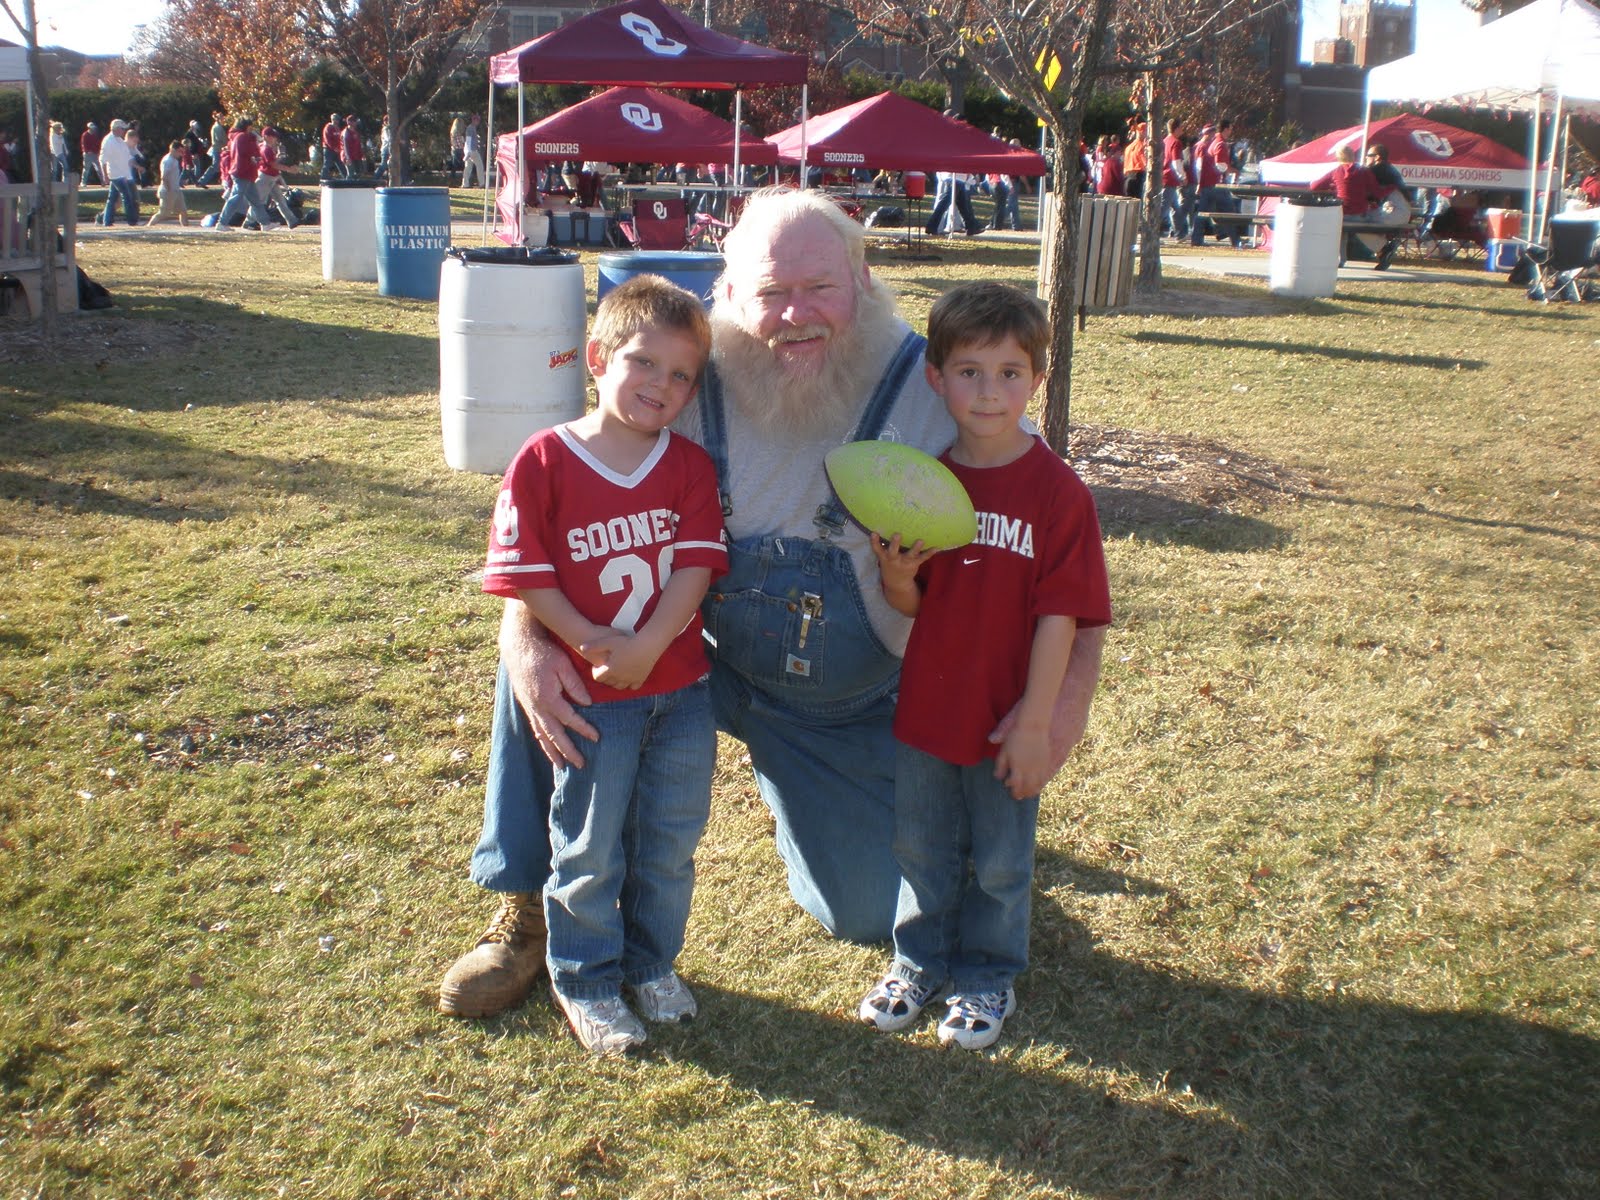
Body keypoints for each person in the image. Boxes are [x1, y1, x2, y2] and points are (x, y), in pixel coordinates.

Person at [436, 187, 1108, 1020]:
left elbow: (1055, 576)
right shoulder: (682, 376)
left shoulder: (942, 385)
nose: (796, 315)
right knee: (546, 663)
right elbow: (563, 518)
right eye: (770, 292)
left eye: (819, 286)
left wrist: (1058, 714)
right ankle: (527, 909)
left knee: (864, 910)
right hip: (695, 670)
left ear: (863, 278)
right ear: (728, 291)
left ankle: (856, 808)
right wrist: (528, 644)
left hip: (846, 706)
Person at [857, 281, 1111, 1051]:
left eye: (1008, 373)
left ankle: (989, 974)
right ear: (937, 378)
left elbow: (1062, 616)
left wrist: (1037, 721)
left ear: (1036, 379)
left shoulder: (1058, 494)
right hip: (929, 707)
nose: (989, 392)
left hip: (1007, 716)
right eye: (969, 371)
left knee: (1001, 859)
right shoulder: (925, 486)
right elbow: (914, 604)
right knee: (920, 848)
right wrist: (897, 573)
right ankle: (918, 962)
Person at [480, 275, 726, 1055]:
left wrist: (650, 643)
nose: (661, 384)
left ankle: (650, 963)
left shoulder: (688, 467)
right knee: (588, 846)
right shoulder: (544, 459)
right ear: (597, 357)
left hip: (680, 691)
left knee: (669, 841)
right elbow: (527, 575)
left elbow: (695, 567)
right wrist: (585, 636)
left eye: (681, 374)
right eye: (644, 362)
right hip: (593, 698)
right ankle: (583, 978)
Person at [1313, 145, 1383, 263]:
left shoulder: (1336, 171)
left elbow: (1314, 186)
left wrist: (1333, 186)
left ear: (1338, 157)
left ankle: (1340, 259)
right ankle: (1382, 248)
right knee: (1375, 217)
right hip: (1360, 215)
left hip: (1341, 214)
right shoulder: (1364, 171)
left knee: (1340, 228)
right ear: (1353, 156)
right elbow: (1377, 192)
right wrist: (1392, 187)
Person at [212, 117, 278, 231]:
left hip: (244, 171)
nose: (252, 129)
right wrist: (254, 141)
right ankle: (222, 222)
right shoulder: (243, 137)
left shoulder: (235, 136)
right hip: (243, 171)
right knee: (236, 198)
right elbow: (250, 152)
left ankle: (265, 223)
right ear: (246, 126)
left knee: (255, 200)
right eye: (250, 126)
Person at [1364, 143, 1411, 271]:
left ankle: (1384, 249)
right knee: (1361, 222)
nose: (1366, 158)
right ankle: (1384, 249)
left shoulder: (1378, 169)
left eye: (1368, 155)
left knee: (1358, 223)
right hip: (1399, 212)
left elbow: (1365, 191)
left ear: (1377, 157)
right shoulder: (1388, 169)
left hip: (1395, 213)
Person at [98, 119, 140, 227]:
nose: (124, 131)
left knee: (112, 199)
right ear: (116, 129)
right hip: (115, 174)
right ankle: (132, 221)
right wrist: (105, 175)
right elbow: (103, 160)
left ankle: (106, 220)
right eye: (122, 129)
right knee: (127, 196)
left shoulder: (120, 140)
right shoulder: (108, 141)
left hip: (124, 173)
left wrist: (137, 167)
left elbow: (127, 157)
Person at [146, 141, 190, 226]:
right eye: (180, 151)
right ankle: (149, 226)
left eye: (182, 152)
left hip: (176, 190)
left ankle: (186, 228)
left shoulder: (175, 160)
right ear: (173, 150)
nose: (181, 154)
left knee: (183, 211)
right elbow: (164, 177)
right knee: (163, 213)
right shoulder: (168, 161)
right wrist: (169, 189)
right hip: (168, 191)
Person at [1160, 118, 1188, 240]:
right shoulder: (1176, 143)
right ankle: (1153, 232)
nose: (1182, 130)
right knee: (1163, 209)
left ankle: (1180, 233)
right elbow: (1176, 162)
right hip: (1169, 178)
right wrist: (1183, 176)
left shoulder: (1164, 141)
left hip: (1163, 177)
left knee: (1175, 207)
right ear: (1176, 128)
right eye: (1181, 127)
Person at [462, 114, 485, 190]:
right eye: (477, 120)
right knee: (480, 166)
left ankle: (465, 184)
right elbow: (468, 140)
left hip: (469, 150)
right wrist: (469, 151)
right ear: (474, 120)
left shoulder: (472, 128)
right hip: (472, 150)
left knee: (468, 168)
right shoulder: (470, 128)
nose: (478, 122)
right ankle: (482, 183)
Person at [320, 113, 344, 181]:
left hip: (338, 150)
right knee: (327, 164)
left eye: (338, 120)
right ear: (332, 120)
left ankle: (345, 176)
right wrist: (334, 148)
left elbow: (340, 139)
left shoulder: (337, 128)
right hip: (329, 150)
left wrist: (340, 148)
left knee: (341, 164)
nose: (337, 121)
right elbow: (327, 140)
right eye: (336, 119)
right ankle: (323, 178)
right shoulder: (328, 127)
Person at [80, 121, 103, 186]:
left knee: (99, 168)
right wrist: (87, 151)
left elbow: (98, 144)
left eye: (94, 128)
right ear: (89, 128)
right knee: (86, 169)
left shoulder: (95, 135)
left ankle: (103, 182)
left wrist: (98, 152)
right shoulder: (85, 135)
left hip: (95, 154)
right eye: (92, 128)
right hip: (88, 154)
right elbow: (84, 145)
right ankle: (83, 182)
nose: (93, 129)